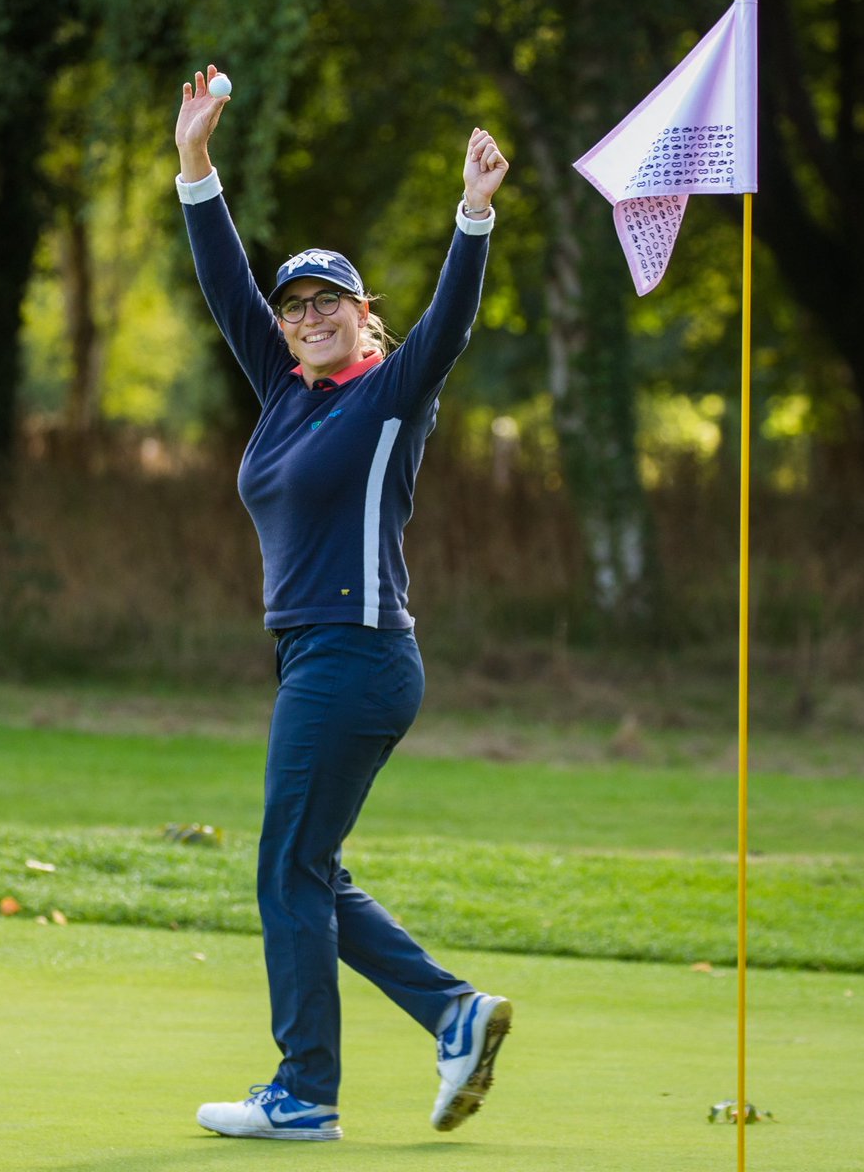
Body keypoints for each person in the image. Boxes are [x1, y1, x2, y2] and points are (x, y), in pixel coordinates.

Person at [175, 64, 512, 1143]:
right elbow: (223, 280)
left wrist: (471, 218)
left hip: (357, 651)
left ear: (366, 319)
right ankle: (452, 1010)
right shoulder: (281, 393)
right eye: (295, 305)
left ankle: (303, 1092)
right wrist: (194, 163)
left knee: (285, 867)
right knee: (310, 868)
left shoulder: (389, 393)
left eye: (329, 301)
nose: (308, 315)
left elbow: (451, 324)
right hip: (316, 658)